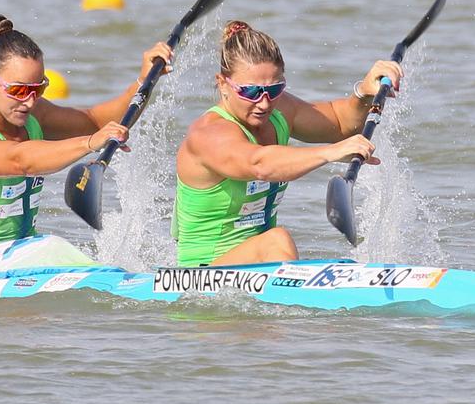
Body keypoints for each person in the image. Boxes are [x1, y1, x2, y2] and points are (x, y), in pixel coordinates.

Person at [0, 15, 172, 269]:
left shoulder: (34, 115)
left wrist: (145, 81)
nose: (29, 101)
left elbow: (97, 120)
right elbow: (19, 160)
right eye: (19, 90)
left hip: (18, 254)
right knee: (52, 248)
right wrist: (90, 143)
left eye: (38, 88)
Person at [172, 21, 403, 267]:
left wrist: (364, 92)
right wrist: (331, 152)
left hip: (255, 266)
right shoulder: (208, 134)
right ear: (222, 83)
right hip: (200, 274)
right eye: (251, 92)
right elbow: (259, 163)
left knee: (337, 262)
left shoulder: (278, 111)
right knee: (277, 240)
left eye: (274, 89)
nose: (263, 103)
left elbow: (339, 122)